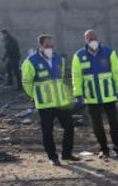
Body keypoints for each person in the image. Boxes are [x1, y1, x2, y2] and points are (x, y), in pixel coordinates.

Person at [21, 34, 77, 166]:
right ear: (40, 46)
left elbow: (61, 76)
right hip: (45, 103)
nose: (50, 48)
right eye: (47, 46)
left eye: (52, 46)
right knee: (47, 131)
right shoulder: (31, 61)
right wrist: (34, 97)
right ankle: (53, 157)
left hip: (61, 102)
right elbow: (26, 82)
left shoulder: (58, 58)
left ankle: (67, 154)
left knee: (69, 127)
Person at [71, 29, 118, 159]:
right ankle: (104, 149)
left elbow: (117, 72)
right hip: (91, 97)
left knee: (114, 124)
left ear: (98, 38)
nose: (93, 41)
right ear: (85, 40)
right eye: (89, 39)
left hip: (109, 95)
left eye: (94, 38)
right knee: (97, 125)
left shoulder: (108, 52)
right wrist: (78, 94)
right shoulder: (79, 55)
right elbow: (76, 76)